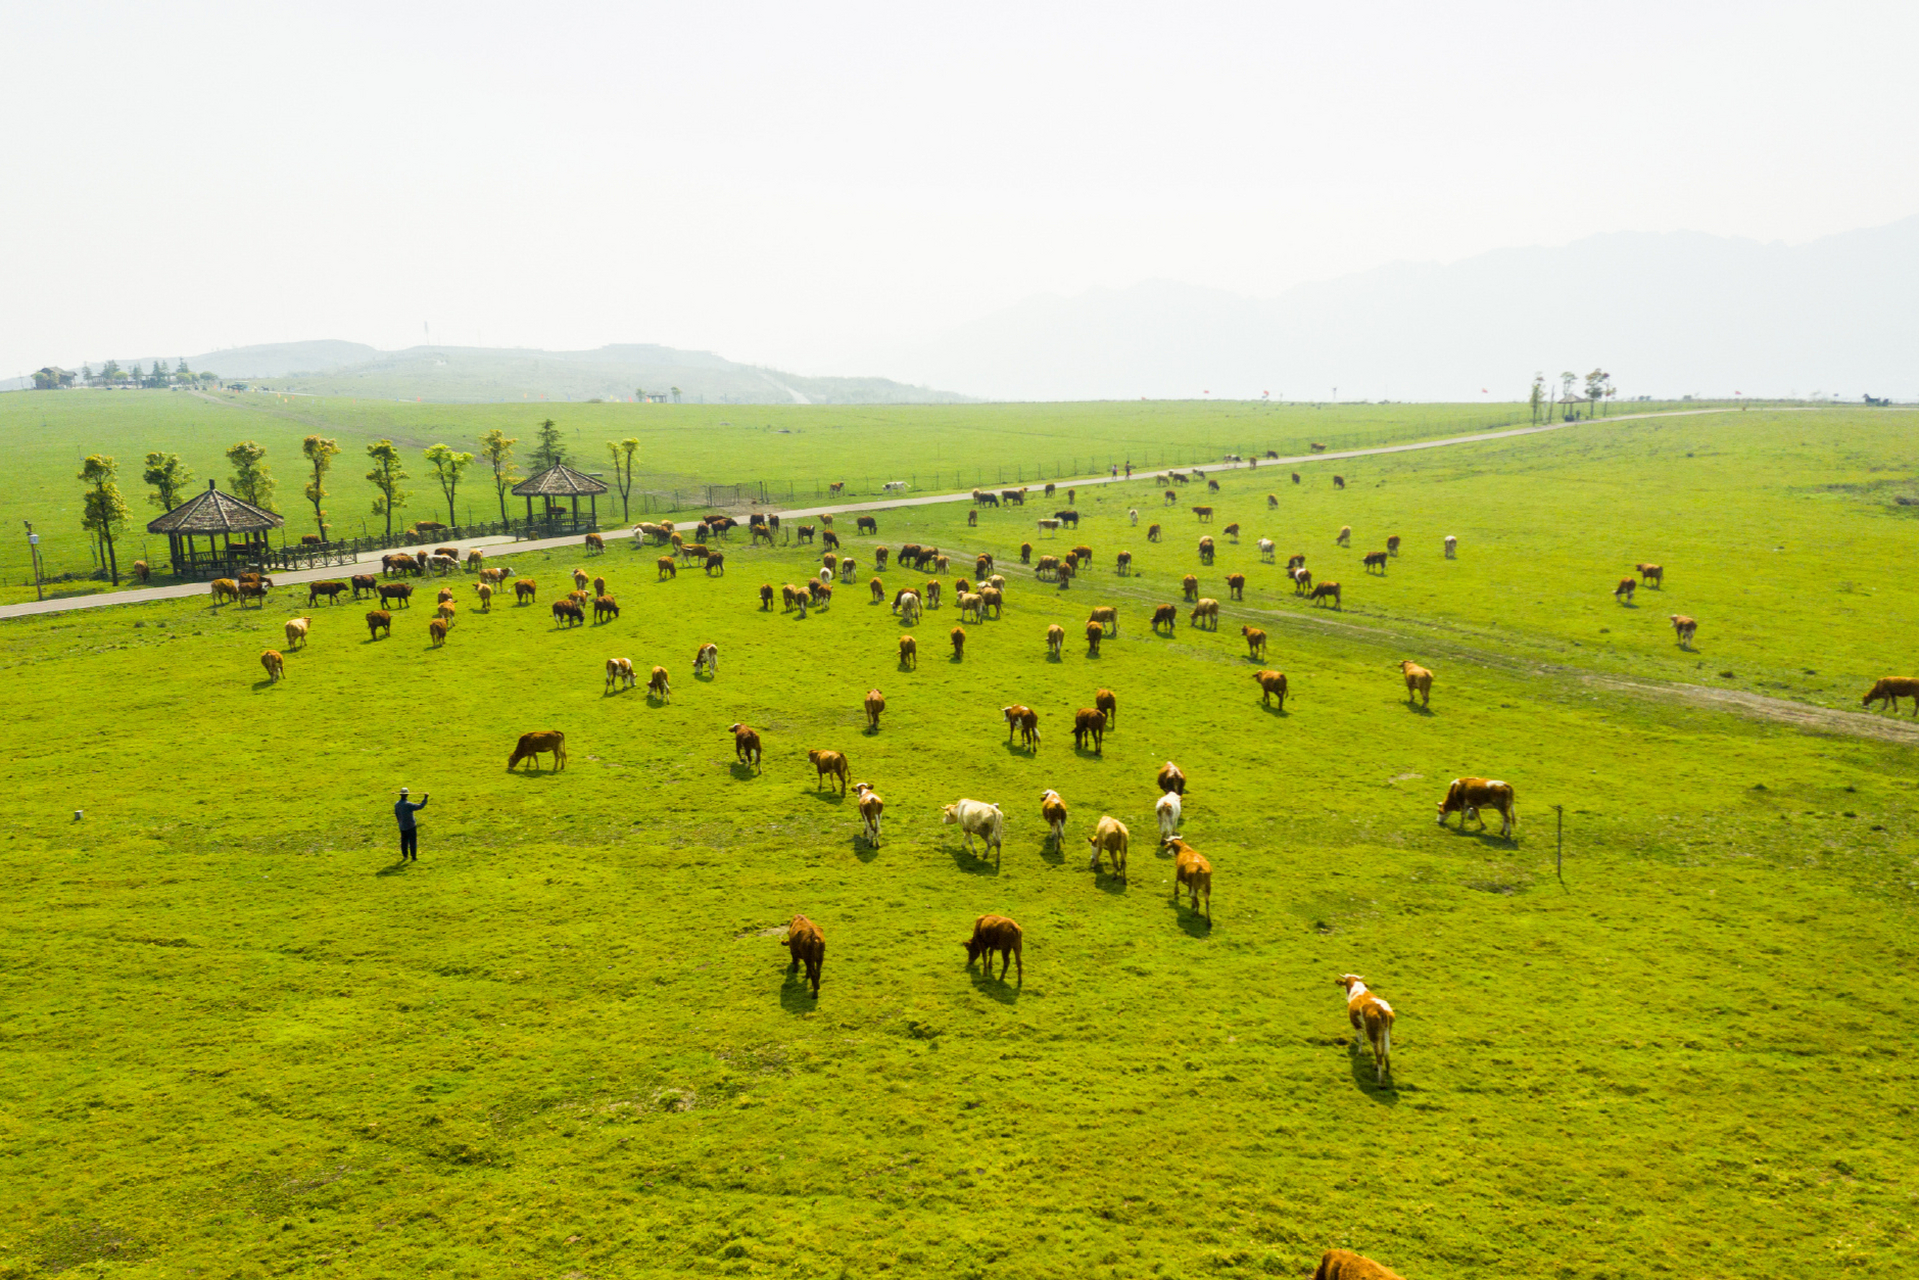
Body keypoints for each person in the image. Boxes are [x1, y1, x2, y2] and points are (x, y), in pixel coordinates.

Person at [394, 786, 429, 861]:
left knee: (404, 842)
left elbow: (396, 814)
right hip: (411, 826)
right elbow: (420, 806)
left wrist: (399, 821)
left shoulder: (397, 804)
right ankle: (413, 857)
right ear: (407, 795)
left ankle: (405, 856)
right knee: (412, 842)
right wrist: (425, 798)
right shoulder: (408, 805)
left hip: (402, 826)